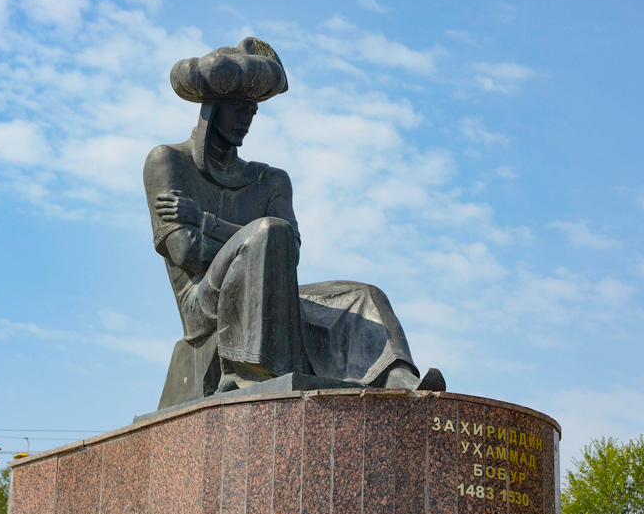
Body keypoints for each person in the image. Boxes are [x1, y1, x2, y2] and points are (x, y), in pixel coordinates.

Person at [144, 38, 444, 397]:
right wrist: (256, 244)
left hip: (274, 293)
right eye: (239, 107)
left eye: (253, 111)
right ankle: (248, 373)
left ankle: (399, 380)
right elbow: (186, 251)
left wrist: (205, 222)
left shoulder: (271, 179)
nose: (247, 119)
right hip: (206, 302)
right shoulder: (168, 161)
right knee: (270, 232)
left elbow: (289, 255)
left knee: (364, 295)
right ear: (213, 106)